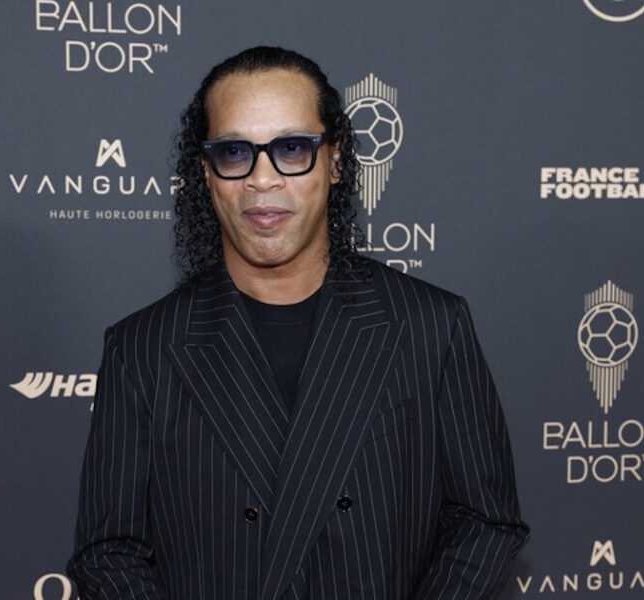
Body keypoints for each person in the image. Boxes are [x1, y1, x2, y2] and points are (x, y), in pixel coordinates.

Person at [67, 46, 529, 599]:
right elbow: (108, 553)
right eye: (235, 152)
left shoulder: (429, 327)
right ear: (207, 174)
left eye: (291, 149)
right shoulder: (142, 349)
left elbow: (486, 521)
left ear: (335, 162)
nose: (262, 179)